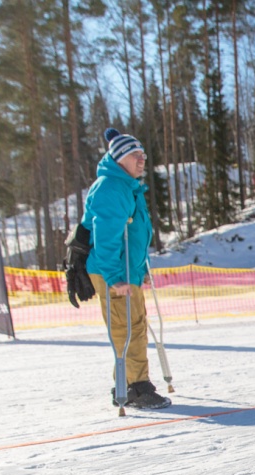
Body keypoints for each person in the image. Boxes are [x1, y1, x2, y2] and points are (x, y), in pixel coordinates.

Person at [82, 127, 169, 410]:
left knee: (137, 326)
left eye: (143, 155)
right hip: (115, 274)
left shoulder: (128, 187)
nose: (141, 160)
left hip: (127, 271)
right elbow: (106, 237)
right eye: (135, 155)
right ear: (119, 159)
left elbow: (134, 235)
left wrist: (139, 267)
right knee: (125, 328)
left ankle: (132, 382)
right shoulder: (112, 188)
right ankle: (134, 387)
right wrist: (114, 277)